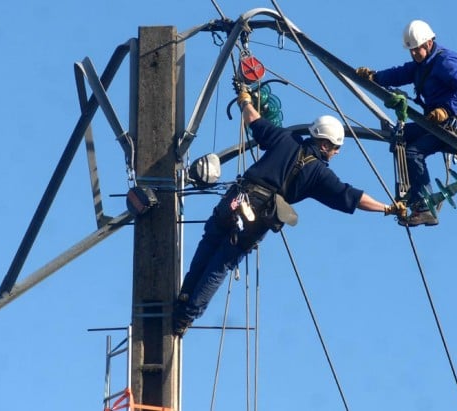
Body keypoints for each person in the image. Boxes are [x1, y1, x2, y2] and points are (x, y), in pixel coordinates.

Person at [172, 86, 406, 337]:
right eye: (336, 147)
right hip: (256, 218)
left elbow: (254, 120)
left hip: (236, 199)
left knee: (209, 243)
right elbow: (353, 197)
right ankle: (185, 318)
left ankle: (184, 296)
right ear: (325, 144)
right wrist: (387, 208)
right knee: (221, 263)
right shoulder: (319, 173)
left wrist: (244, 99)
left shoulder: (285, 139)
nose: (337, 152)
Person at [356, 19, 457, 226]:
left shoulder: (445, 61)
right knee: (399, 137)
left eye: (416, 49)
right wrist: (374, 77)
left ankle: (424, 207)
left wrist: (446, 110)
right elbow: (398, 73)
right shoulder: (420, 66)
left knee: (413, 151)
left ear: (429, 43)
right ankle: (409, 196)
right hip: (436, 124)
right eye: (411, 50)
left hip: (456, 124)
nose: (413, 54)